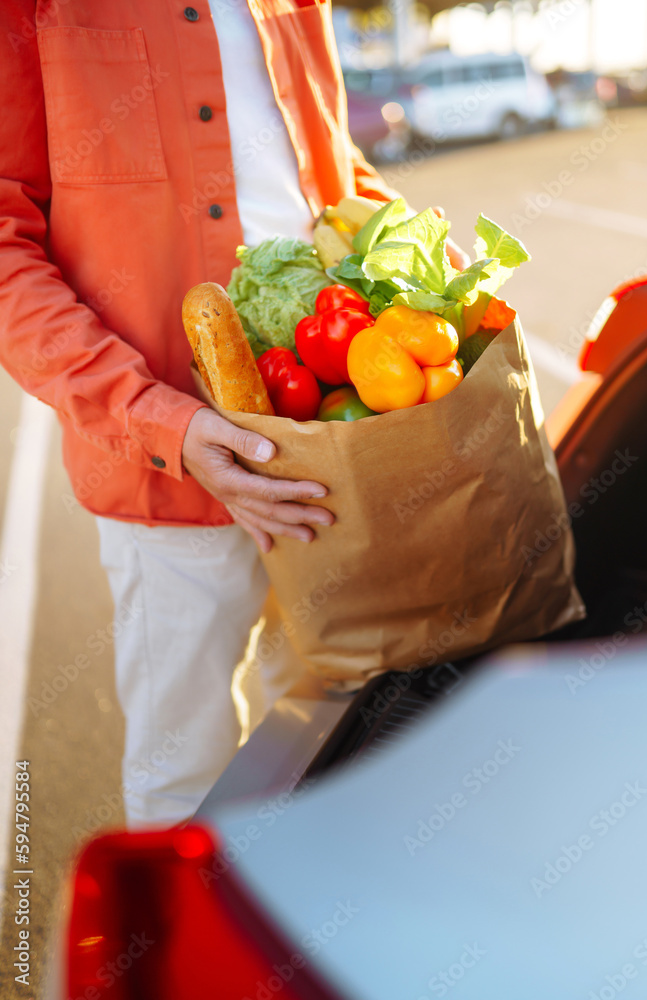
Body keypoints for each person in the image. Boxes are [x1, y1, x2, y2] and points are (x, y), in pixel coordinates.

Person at [0, 0, 466, 827]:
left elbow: (326, 173)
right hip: (168, 475)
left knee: (337, 737)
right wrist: (156, 419)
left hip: (335, 437)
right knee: (187, 781)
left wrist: (431, 265)